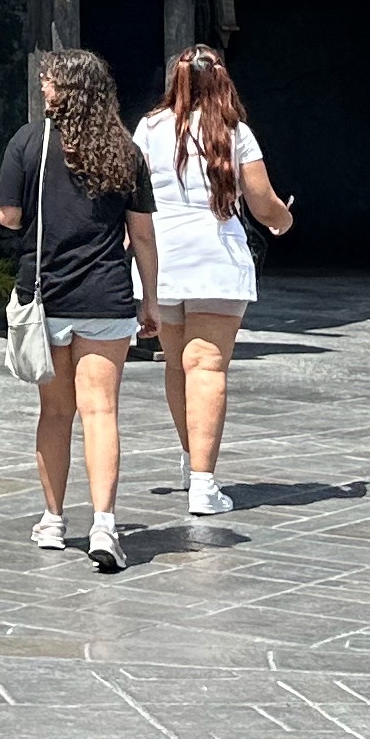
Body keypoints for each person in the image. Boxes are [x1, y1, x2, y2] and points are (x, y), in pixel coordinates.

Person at [0, 46, 160, 574]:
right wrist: (150, 299)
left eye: (49, 80)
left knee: (55, 412)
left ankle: (53, 520)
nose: (43, 87)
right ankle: (105, 524)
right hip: (106, 296)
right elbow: (142, 235)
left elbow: (8, 216)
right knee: (102, 411)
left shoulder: (29, 141)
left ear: (66, 89)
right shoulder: (125, 150)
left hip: (47, 296)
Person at [133, 43, 296, 518]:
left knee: (176, 365)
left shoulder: (148, 128)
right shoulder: (235, 132)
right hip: (215, 259)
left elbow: (133, 195)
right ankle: (205, 485)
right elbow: (263, 202)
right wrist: (284, 220)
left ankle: (191, 462)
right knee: (206, 366)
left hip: (161, 259)